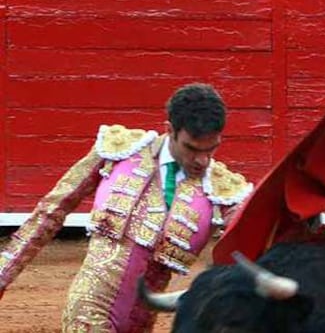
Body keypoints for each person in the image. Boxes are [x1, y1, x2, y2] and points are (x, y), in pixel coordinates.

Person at [0, 83, 253, 332]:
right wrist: (3, 273)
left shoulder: (221, 190)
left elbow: (256, 242)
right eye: (191, 148)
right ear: (170, 130)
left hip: (141, 321)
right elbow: (51, 211)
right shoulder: (120, 151)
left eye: (212, 149)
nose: (202, 160)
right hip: (89, 308)